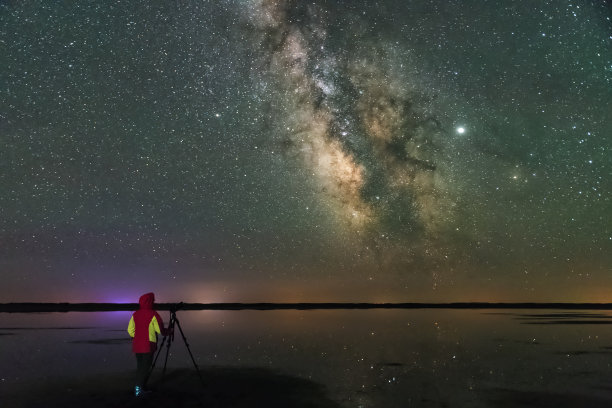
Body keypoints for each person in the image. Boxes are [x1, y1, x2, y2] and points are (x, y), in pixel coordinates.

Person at [127, 292, 171, 397]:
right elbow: (160, 330)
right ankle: (138, 391)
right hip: (147, 346)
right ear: (150, 302)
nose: (154, 302)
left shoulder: (135, 314)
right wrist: (169, 331)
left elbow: (130, 330)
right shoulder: (153, 314)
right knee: (145, 368)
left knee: (140, 367)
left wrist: (137, 337)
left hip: (137, 345)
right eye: (153, 300)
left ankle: (140, 387)